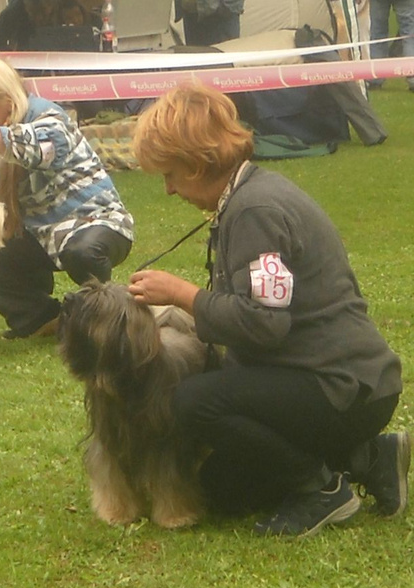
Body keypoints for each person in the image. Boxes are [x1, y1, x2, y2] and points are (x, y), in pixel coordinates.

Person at [128, 83, 406, 535]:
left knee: (193, 403)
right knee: (222, 491)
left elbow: (264, 323)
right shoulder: (246, 197)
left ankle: (321, 491)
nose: (169, 190)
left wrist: (183, 295)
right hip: (336, 382)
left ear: (198, 163)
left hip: (342, 387)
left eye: (170, 174)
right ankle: (369, 457)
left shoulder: (254, 210)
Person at [0, 55, 133, 339]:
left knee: (82, 252)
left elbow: (39, 152)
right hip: (35, 233)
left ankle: (103, 321)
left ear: (7, 98)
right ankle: (42, 318)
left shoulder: (48, 116)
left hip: (92, 222)